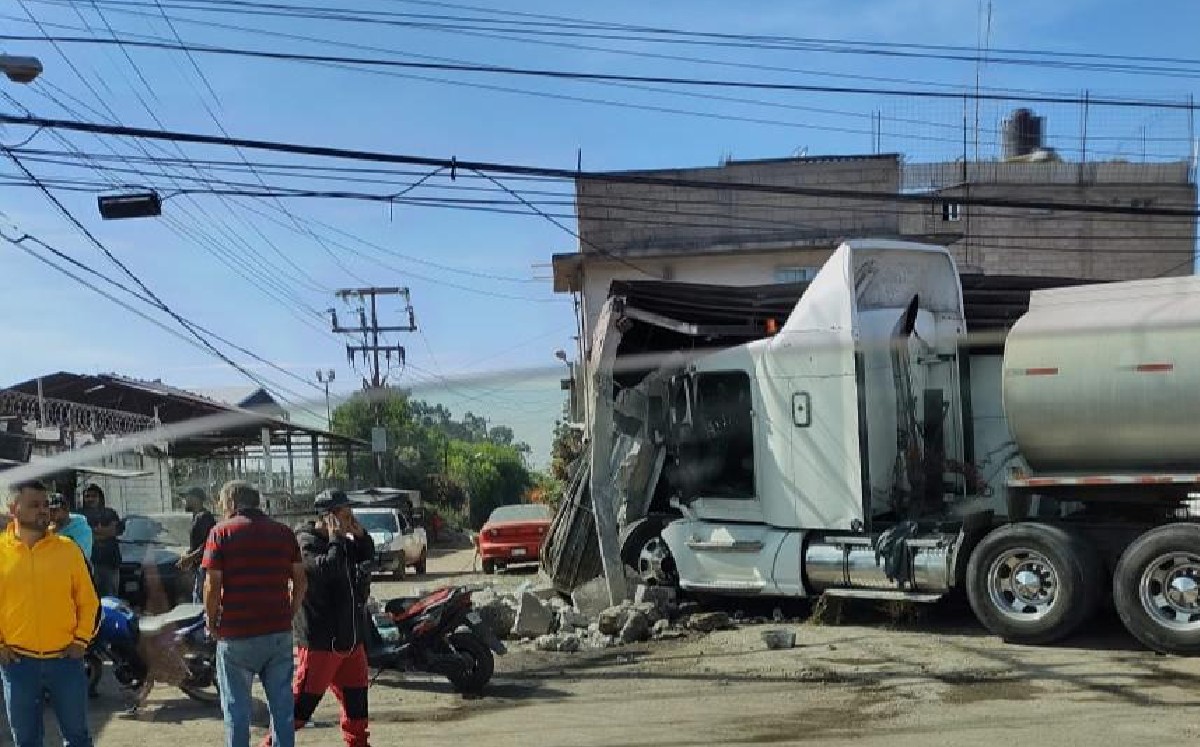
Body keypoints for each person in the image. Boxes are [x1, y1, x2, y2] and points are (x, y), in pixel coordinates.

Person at [265, 490, 375, 747]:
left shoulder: (343, 543)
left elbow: (368, 559)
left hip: (350, 640)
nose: (350, 520)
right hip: (321, 644)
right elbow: (329, 569)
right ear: (329, 518)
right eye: (345, 515)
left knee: (357, 707)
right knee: (299, 710)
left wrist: (362, 537)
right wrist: (337, 537)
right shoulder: (304, 543)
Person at [203, 480, 307, 747]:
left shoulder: (221, 533)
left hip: (237, 635)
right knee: (282, 709)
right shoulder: (284, 533)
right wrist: (290, 611)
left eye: (223, 503)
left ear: (232, 502)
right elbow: (301, 580)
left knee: (237, 711)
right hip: (277, 632)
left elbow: (212, 585)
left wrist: (212, 622)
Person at [0, 479, 100, 747]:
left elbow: (88, 601)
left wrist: (81, 641)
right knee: (27, 741)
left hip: (65, 662)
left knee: (78, 738)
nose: (43, 510)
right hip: (18, 666)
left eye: (45, 505)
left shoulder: (68, 550)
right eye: (34, 505)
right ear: (13, 508)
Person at [79, 484, 123, 598]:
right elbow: (86, 534)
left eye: (94, 496)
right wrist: (104, 531)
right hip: (89, 564)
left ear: (100, 497)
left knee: (111, 599)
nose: (90, 499)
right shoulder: (79, 516)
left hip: (110, 562)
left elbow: (116, 530)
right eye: (87, 496)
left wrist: (96, 532)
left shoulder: (110, 513)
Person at [177, 487, 216, 604]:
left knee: (200, 603)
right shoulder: (197, 517)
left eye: (186, 498)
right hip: (199, 568)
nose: (184, 501)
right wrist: (188, 554)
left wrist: (190, 558)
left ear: (195, 499)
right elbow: (197, 544)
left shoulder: (204, 517)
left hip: (204, 568)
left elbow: (209, 544)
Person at [49, 493, 94, 562]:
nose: (51, 514)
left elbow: (77, 555)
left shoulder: (82, 529)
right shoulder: (48, 529)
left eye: (55, 510)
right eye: (49, 510)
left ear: (66, 509)